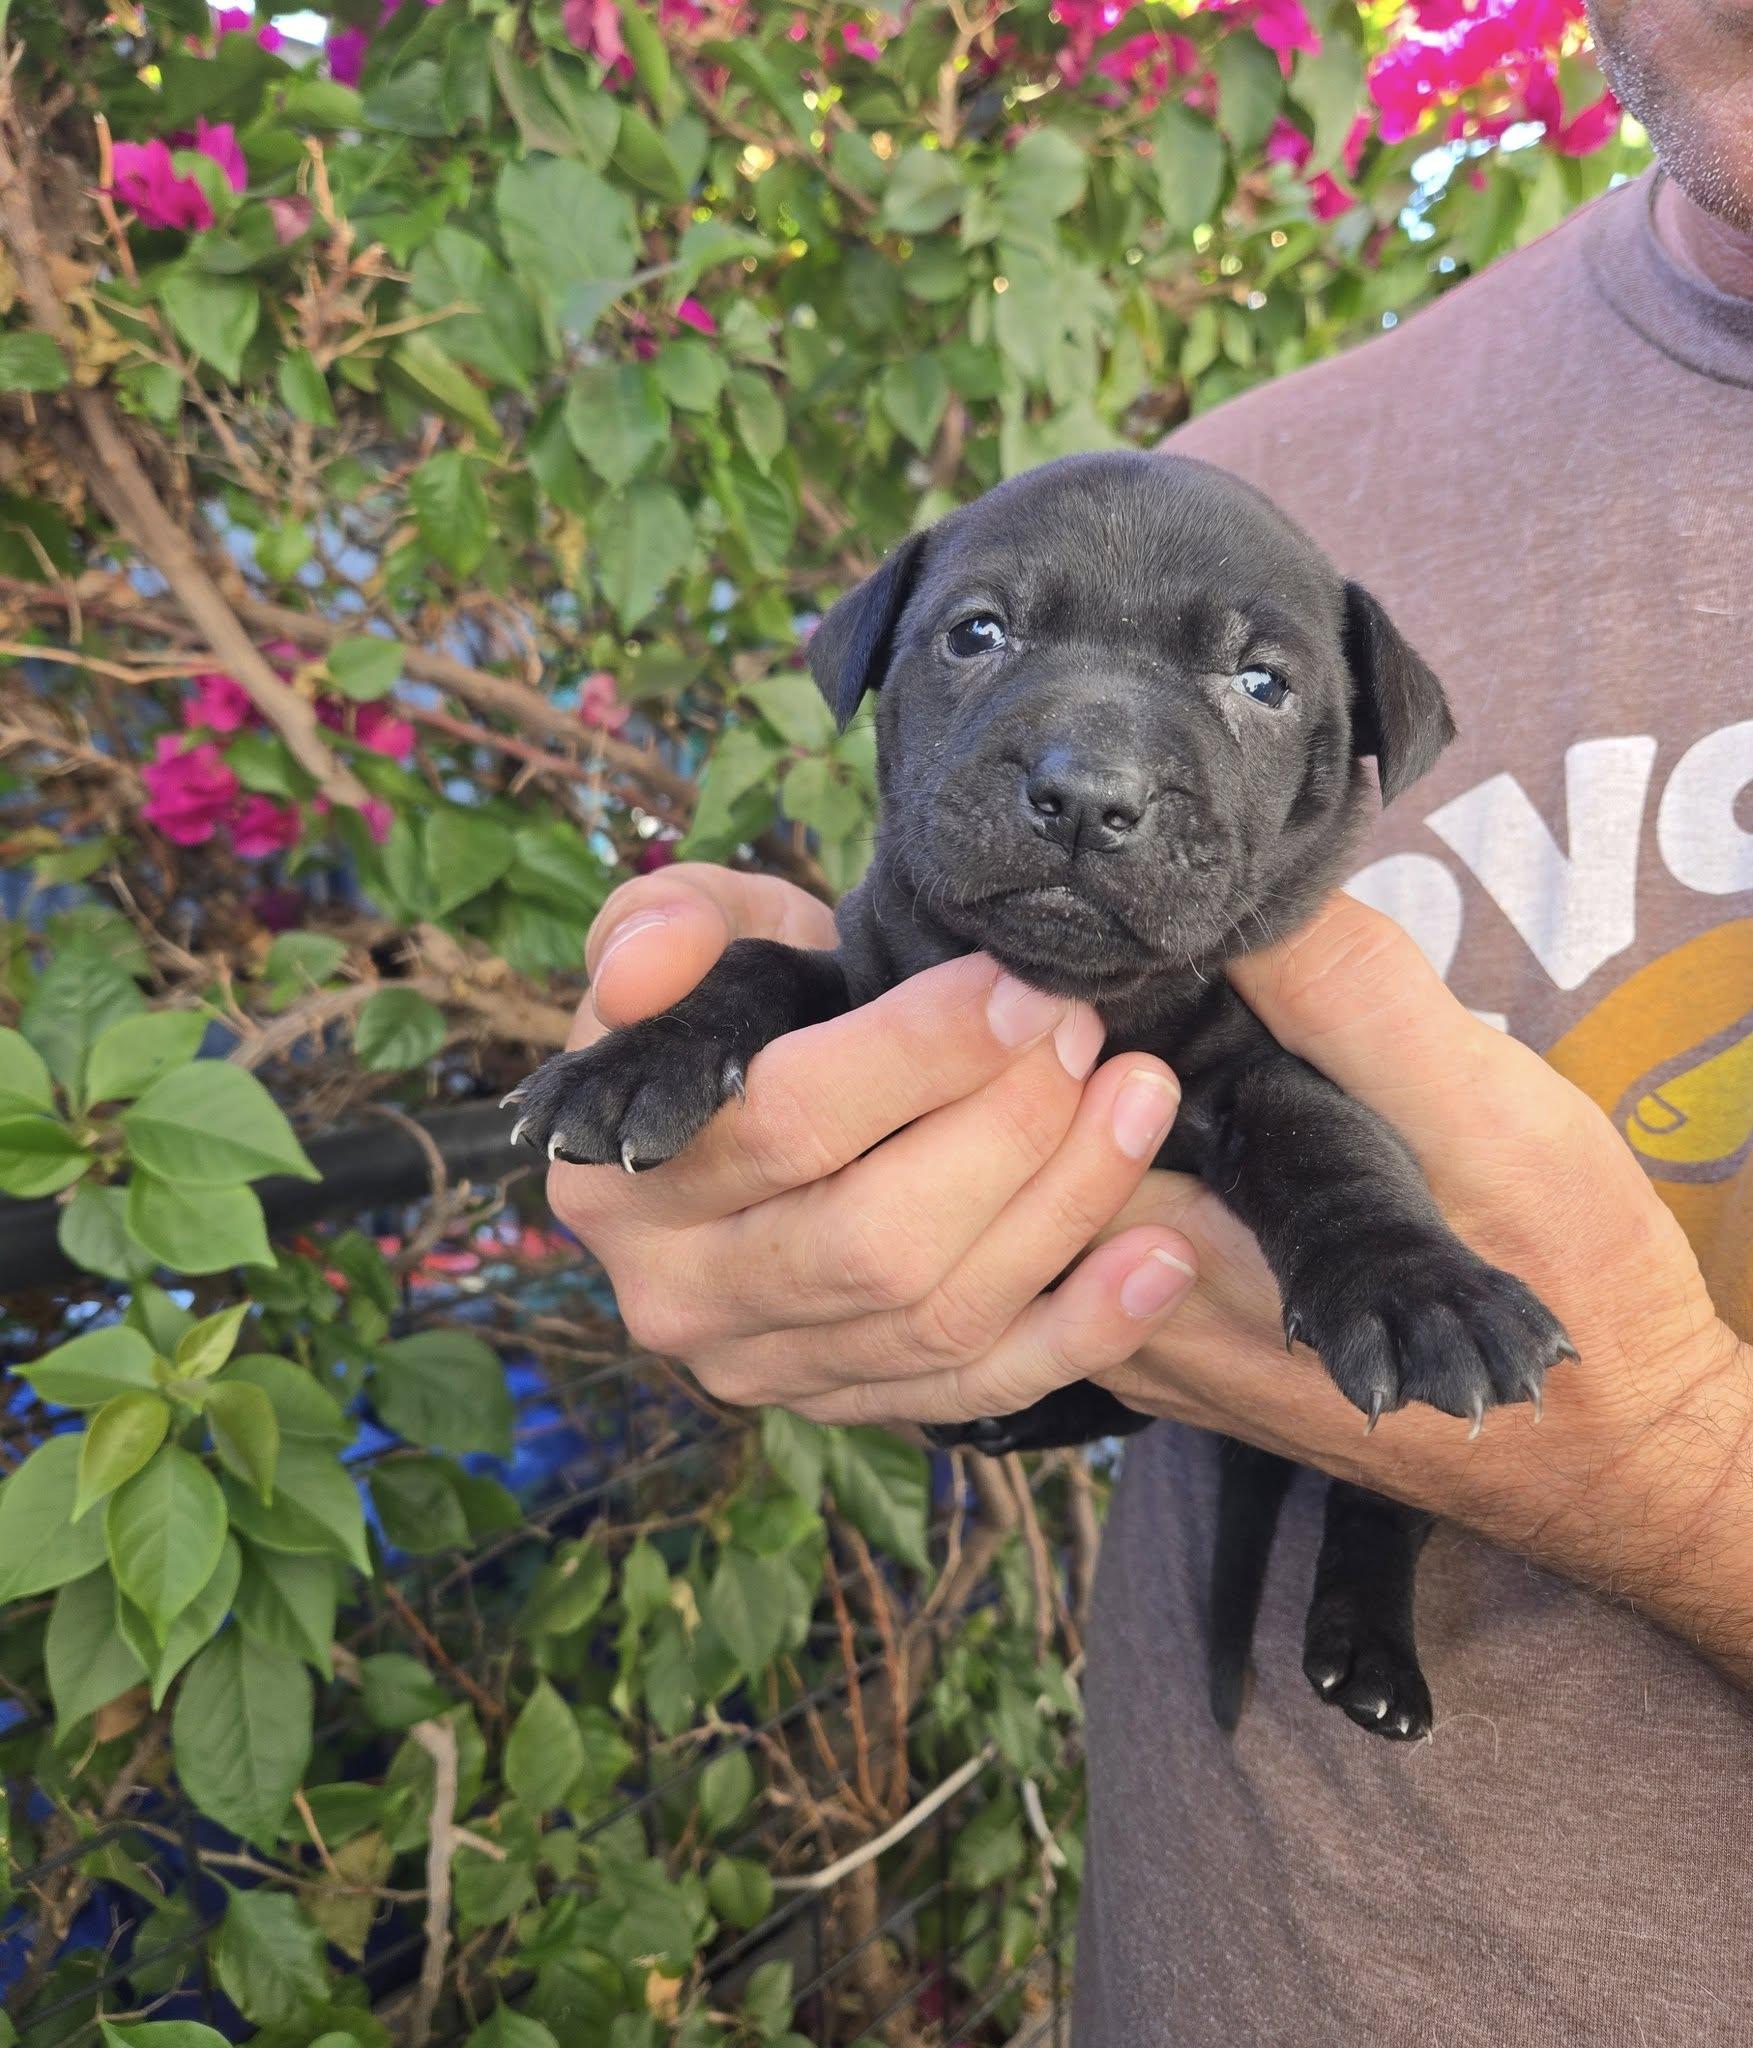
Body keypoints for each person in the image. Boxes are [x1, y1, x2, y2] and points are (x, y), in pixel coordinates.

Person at [548, 1, 1753, 2036]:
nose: (1094, 765)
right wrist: (819, 1240)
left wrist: (1666, 1474)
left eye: (1250, 688)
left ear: (1360, 752)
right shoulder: (1258, 476)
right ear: (882, 665)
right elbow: (891, 1074)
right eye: (985, 640)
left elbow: (1285, 1128)